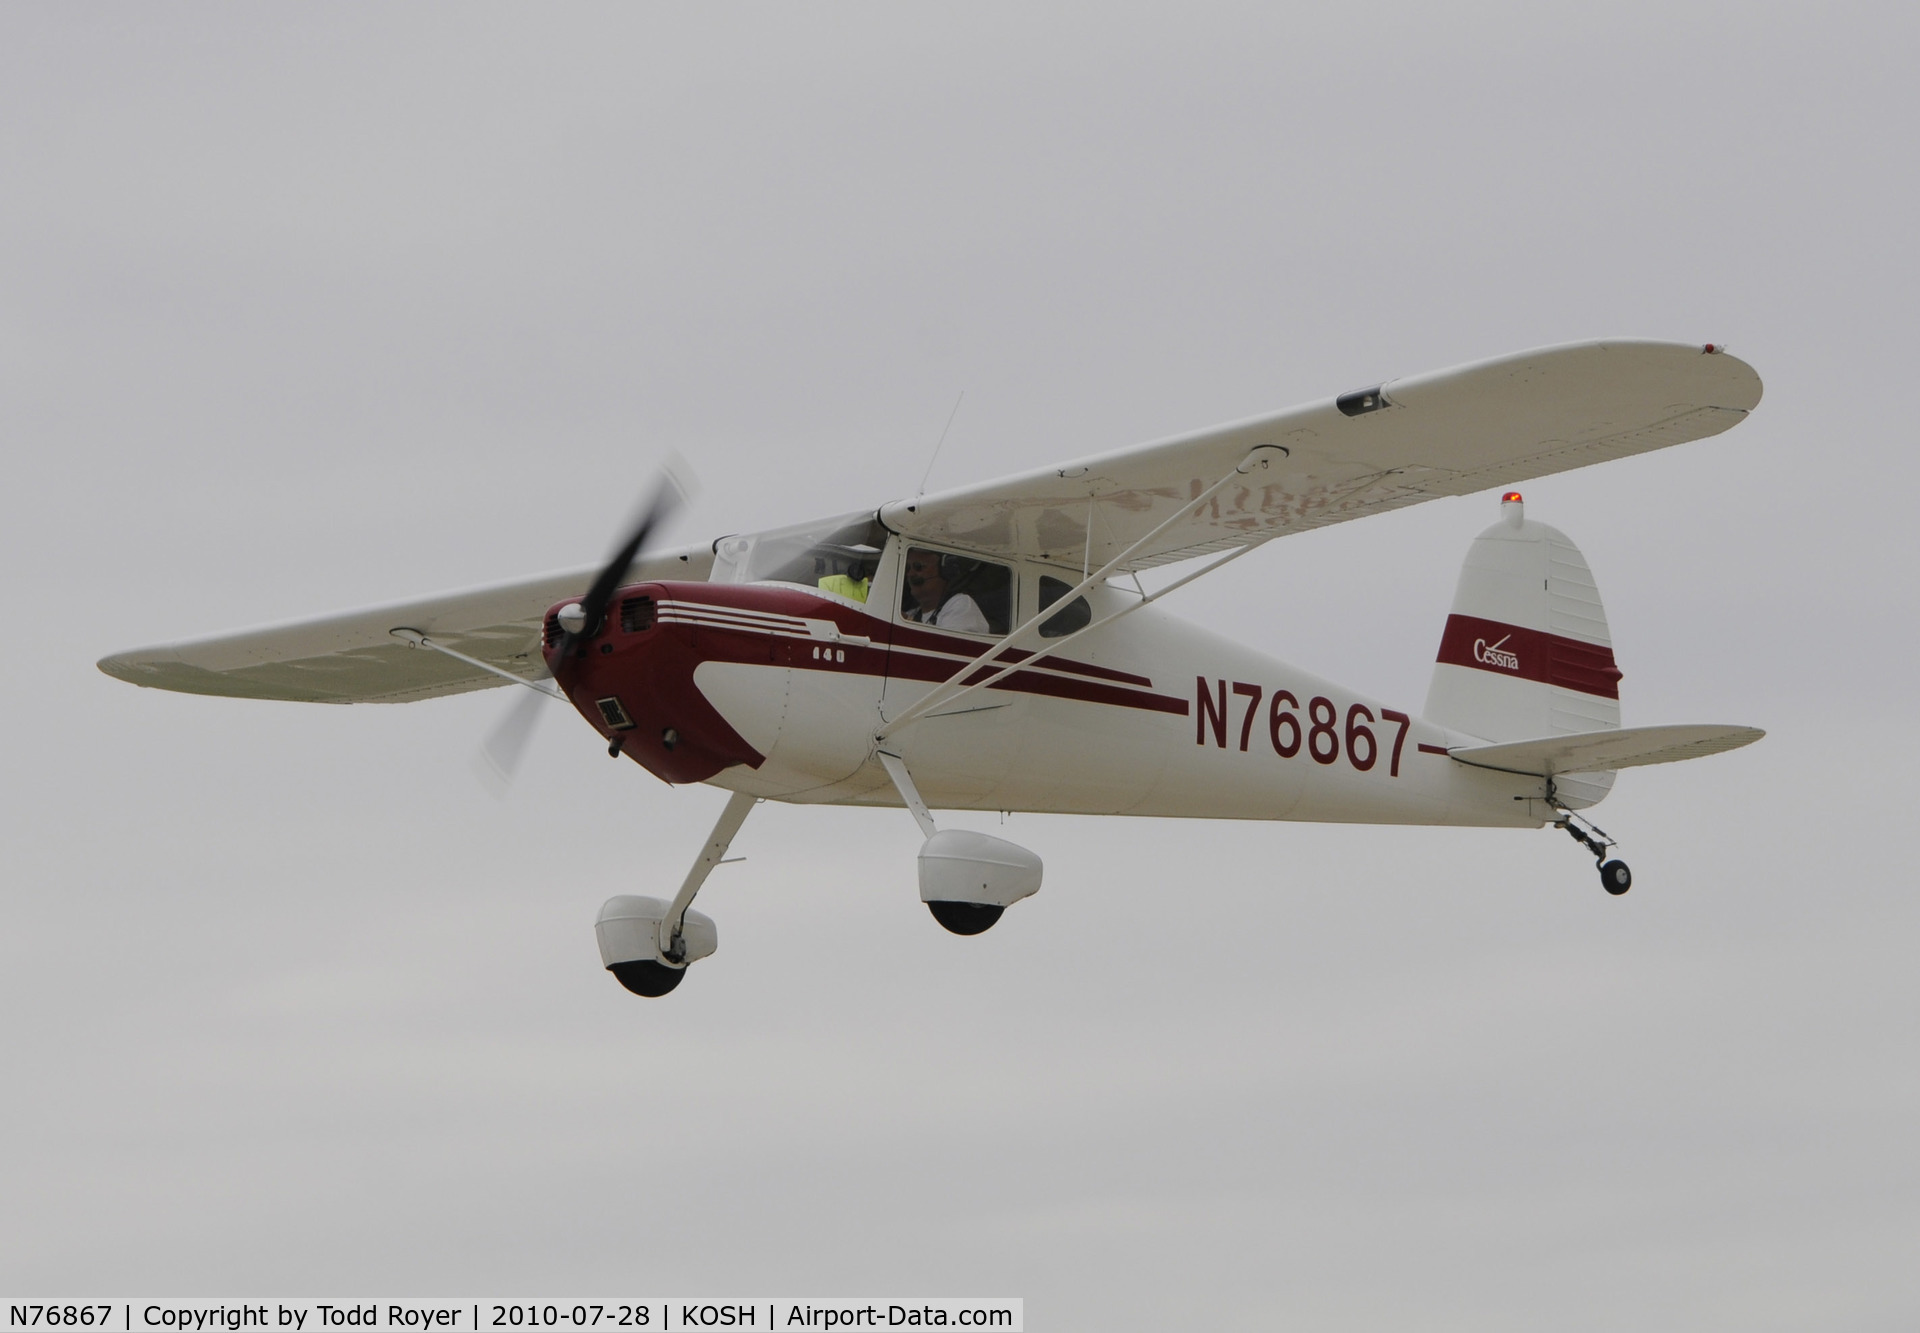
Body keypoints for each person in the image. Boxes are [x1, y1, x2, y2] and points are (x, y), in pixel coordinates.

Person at [902, 548, 989, 633]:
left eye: (918, 566)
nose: (910, 574)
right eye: (908, 568)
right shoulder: (912, 613)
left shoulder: (961, 604)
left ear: (944, 571)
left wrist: (909, 622)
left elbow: (949, 645)